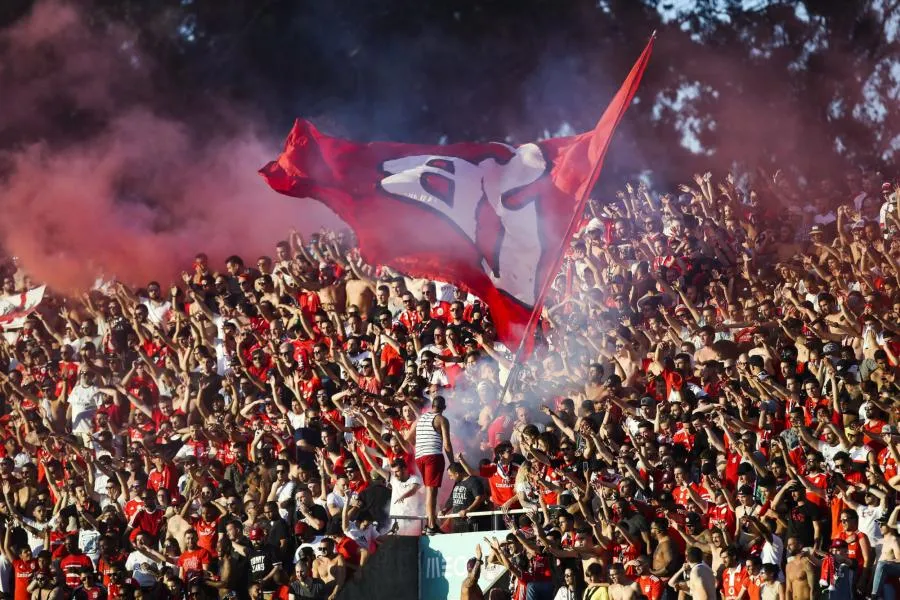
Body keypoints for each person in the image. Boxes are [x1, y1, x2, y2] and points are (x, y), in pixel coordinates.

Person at [411, 395, 453, 534]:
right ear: (444, 408)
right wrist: (452, 462)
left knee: (429, 490)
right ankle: (431, 525)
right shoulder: (442, 419)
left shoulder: (421, 418)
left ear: (432, 406)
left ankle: (430, 522)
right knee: (431, 492)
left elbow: (409, 438)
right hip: (432, 456)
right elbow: (447, 444)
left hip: (420, 457)